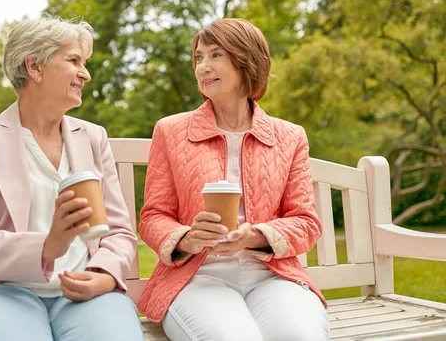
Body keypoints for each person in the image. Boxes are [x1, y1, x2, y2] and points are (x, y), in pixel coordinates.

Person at [0, 16, 143, 341]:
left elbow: (118, 231)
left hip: (83, 290)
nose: (86, 74)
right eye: (74, 61)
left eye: (84, 63)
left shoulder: (93, 137)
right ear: (35, 67)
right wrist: (48, 246)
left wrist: (104, 274)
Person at [138, 18, 329, 340]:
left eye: (216, 55)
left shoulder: (290, 136)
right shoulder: (170, 131)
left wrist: (254, 235)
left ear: (247, 60)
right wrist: (187, 238)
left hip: (273, 276)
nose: (202, 67)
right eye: (199, 57)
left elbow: (306, 222)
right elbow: (153, 216)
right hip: (196, 277)